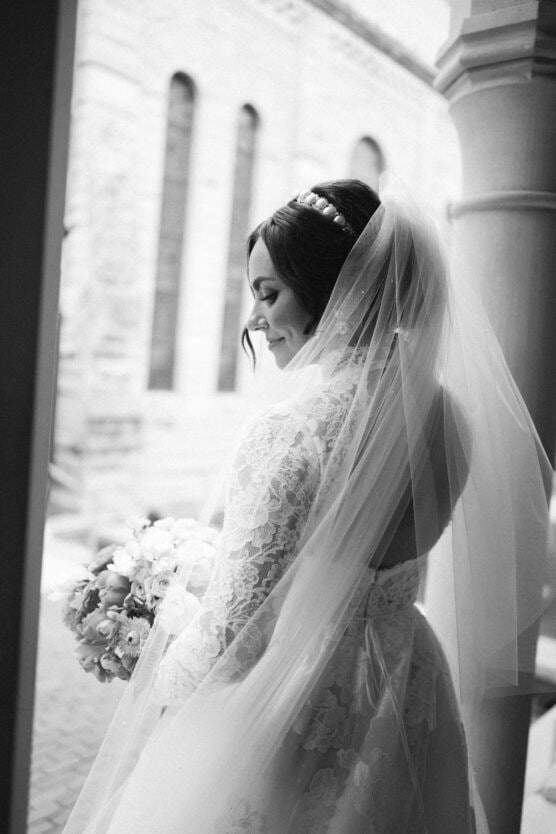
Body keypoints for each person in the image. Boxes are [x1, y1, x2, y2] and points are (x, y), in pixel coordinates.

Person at [64, 180, 552, 833]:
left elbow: (232, 641)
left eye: (270, 294)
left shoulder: (292, 435)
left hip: (301, 695)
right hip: (406, 681)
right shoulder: (451, 419)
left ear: (333, 290)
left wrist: (154, 663)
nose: (256, 321)